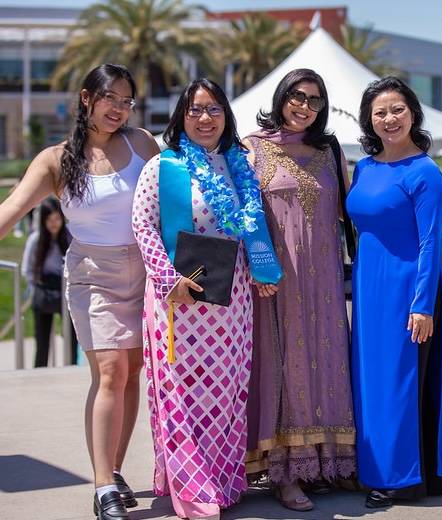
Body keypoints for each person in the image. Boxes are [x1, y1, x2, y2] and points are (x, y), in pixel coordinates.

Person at [0, 63, 160, 520]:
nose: (120, 108)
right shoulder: (56, 159)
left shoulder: (142, 143)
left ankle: (114, 467)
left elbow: (177, 189)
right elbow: (13, 207)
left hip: (144, 268)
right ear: (88, 97)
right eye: (112, 98)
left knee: (132, 372)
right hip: (92, 272)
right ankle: (103, 485)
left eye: (127, 101)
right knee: (110, 370)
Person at [132, 78, 268, 520]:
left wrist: (265, 269)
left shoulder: (240, 166)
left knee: (225, 392)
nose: (205, 118)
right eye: (195, 110)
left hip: (231, 301)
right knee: (181, 389)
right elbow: (143, 225)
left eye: (213, 109)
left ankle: (224, 480)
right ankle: (191, 487)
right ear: (181, 116)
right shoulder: (164, 166)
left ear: (226, 115)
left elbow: (251, 226)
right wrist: (167, 277)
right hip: (179, 300)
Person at [242, 68, 356, 512]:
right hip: (277, 281)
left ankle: (332, 462)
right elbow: (244, 215)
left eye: (314, 100)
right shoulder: (253, 148)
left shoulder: (330, 152)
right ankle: (285, 472)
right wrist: (256, 264)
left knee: (327, 359)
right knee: (284, 363)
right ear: (281, 97)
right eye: (296, 96)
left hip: (324, 277)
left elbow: (351, 215)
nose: (304, 106)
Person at [346, 76, 442, 509]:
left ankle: (401, 477)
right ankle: (372, 466)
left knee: (398, 382)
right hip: (368, 290)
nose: (389, 119)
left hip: (408, 289)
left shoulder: (424, 171)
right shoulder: (364, 167)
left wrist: (422, 304)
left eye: (397, 110)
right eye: (380, 112)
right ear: (369, 120)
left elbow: (431, 242)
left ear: (413, 113)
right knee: (369, 380)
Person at [21, 196, 78, 367]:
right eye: (49, 220)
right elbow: (27, 269)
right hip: (44, 289)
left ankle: (71, 365)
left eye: (57, 219)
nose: (54, 224)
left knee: (71, 336)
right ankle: (40, 368)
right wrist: (35, 286)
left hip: (65, 289)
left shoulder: (69, 236)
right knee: (42, 338)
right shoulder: (36, 240)